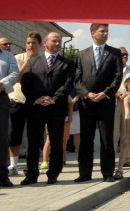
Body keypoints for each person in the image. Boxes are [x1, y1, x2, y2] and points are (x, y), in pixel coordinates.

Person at [19, 32, 75, 185]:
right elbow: (26, 83)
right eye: (54, 41)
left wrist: (53, 99)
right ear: (45, 43)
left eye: (60, 41)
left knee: (56, 142)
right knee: (33, 142)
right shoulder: (33, 61)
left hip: (56, 108)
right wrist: (36, 98)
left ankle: (53, 174)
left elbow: (68, 84)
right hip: (36, 108)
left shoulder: (67, 63)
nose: (58, 44)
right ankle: (31, 174)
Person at [73, 23, 123, 182]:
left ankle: (108, 173)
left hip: (105, 102)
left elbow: (117, 78)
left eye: (107, 31)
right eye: (102, 31)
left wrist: (105, 93)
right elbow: (77, 79)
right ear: (93, 33)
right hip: (87, 103)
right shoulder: (82, 54)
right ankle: (84, 173)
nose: (106, 33)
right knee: (86, 139)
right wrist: (87, 93)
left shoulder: (114, 53)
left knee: (106, 138)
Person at [8, 32, 41, 177]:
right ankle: (14, 165)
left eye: (33, 43)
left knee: (34, 135)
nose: (30, 45)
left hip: (35, 102)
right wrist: (27, 61)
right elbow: (16, 78)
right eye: (28, 43)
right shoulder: (18, 58)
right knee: (15, 133)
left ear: (40, 44)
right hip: (18, 100)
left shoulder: (43, 60)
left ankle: (32, 165)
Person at [0, 37, 19, 188]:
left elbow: (14, 74)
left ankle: (2, 176)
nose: (8, 45)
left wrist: (2, 84)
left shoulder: (8, 56)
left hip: (1, 97)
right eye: (5, 43)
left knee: (2, 138)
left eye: (9, 43)